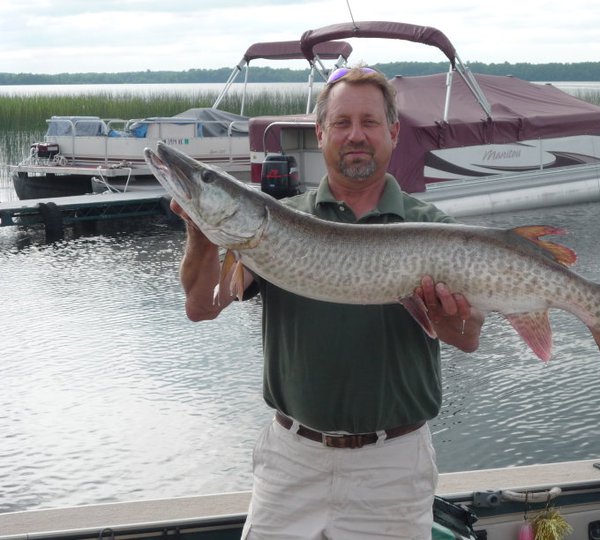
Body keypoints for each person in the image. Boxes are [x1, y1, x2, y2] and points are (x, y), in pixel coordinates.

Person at [170, 66, 482, 539]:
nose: (355, 135)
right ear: (320, 134)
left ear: (393, 133)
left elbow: (470, 337)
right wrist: (200, 227)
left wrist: (444, 314)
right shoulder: (274, 223)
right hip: (291, 462)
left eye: (370, 122)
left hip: (392, 468)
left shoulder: (431, 228)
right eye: (341, 123)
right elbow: (203, 304)